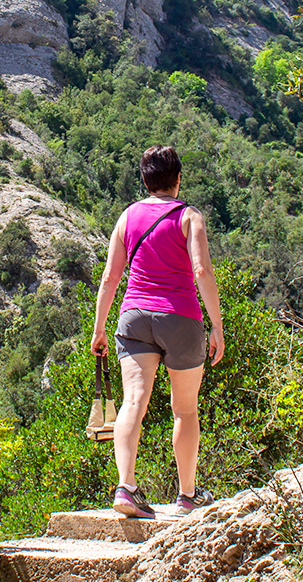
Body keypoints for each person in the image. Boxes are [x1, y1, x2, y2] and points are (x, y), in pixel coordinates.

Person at [90, 145, 225, 518]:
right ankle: (186, 496)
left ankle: (126, 489)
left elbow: (110, 277)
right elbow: (202, 272)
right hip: (180, 317)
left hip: (133, 317)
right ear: (178, 179)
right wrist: (216, 325)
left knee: (134, 401)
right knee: (184, 410)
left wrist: (99, 329)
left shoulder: (127, 217)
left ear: (145, 180)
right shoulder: (189, 217)